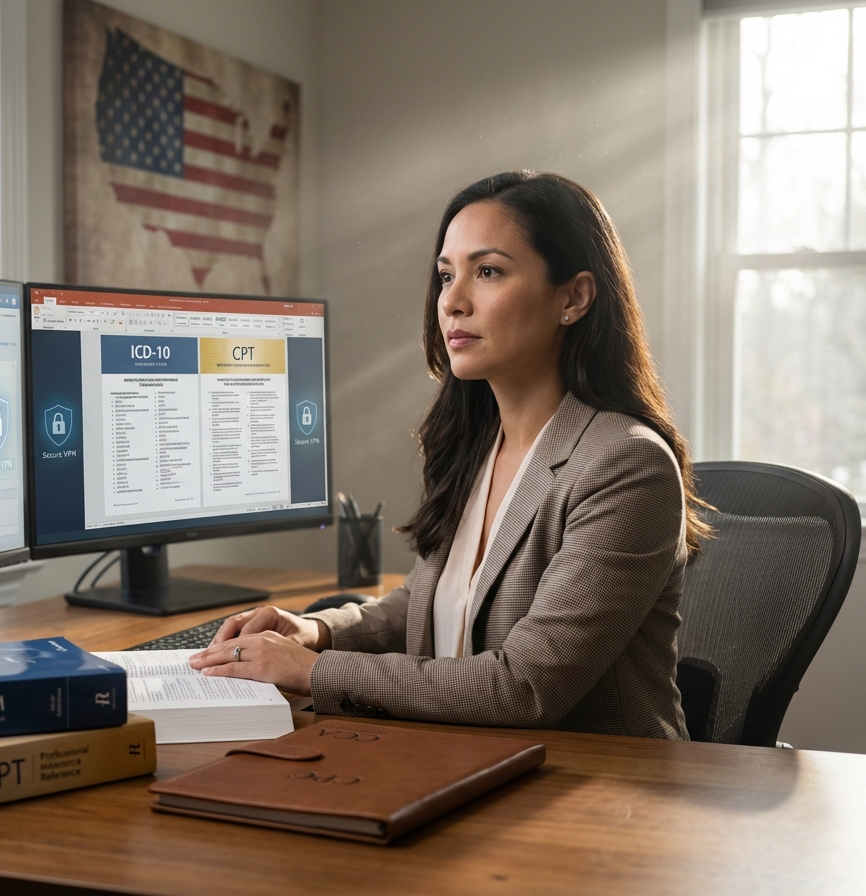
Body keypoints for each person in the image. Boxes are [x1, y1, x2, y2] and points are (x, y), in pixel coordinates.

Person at [190, 171, 708, 739]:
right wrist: (315, 632)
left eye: (488, 272)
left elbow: (525, 687)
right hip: (465, 755)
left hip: (600, 780)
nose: (453, 303)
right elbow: (428, 603)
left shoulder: (626, 464)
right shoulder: (478, 443)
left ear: (573, 297)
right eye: (445, 276)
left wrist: (313, 671)